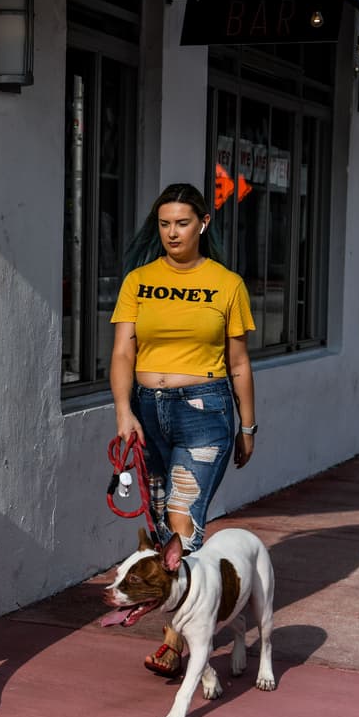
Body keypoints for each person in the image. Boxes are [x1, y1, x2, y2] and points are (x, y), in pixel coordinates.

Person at [109, 182, 257, 678]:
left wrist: (249, 423)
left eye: (183, 223)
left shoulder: (227, 283)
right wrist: (123, 410)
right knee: (157, 526)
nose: (173, 233)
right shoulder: (138, 281)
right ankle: (186, 617)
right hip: (148, 411)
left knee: (183, 523)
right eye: (165, 224)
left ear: (204, 224)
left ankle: (176, 640)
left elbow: (238, 361)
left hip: (205, 410)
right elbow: (124, 353)